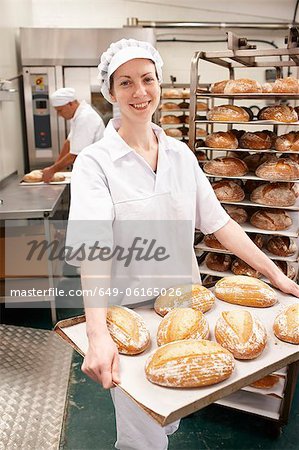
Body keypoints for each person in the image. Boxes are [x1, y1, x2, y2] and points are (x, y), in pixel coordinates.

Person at [66, 39, 299, 450]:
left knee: (168, 414)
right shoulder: (95, 162)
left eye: (147, 79)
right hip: (130, 316)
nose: (140, 92)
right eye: (126, 83)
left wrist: (274, 274)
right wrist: (99, 332)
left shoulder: (180, 155)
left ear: (158, 82)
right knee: (143, 437)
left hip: (184, 308)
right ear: (111, 91)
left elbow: (221, 224)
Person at [42, 87, 105, 182]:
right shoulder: (77, 116)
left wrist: (52, 170)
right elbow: (68, 143)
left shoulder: (85, 118)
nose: (59, 115)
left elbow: (76, 154)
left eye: (60, 110)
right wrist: (55, 167)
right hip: (88, 170)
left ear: (70, 104)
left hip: (96, 172)